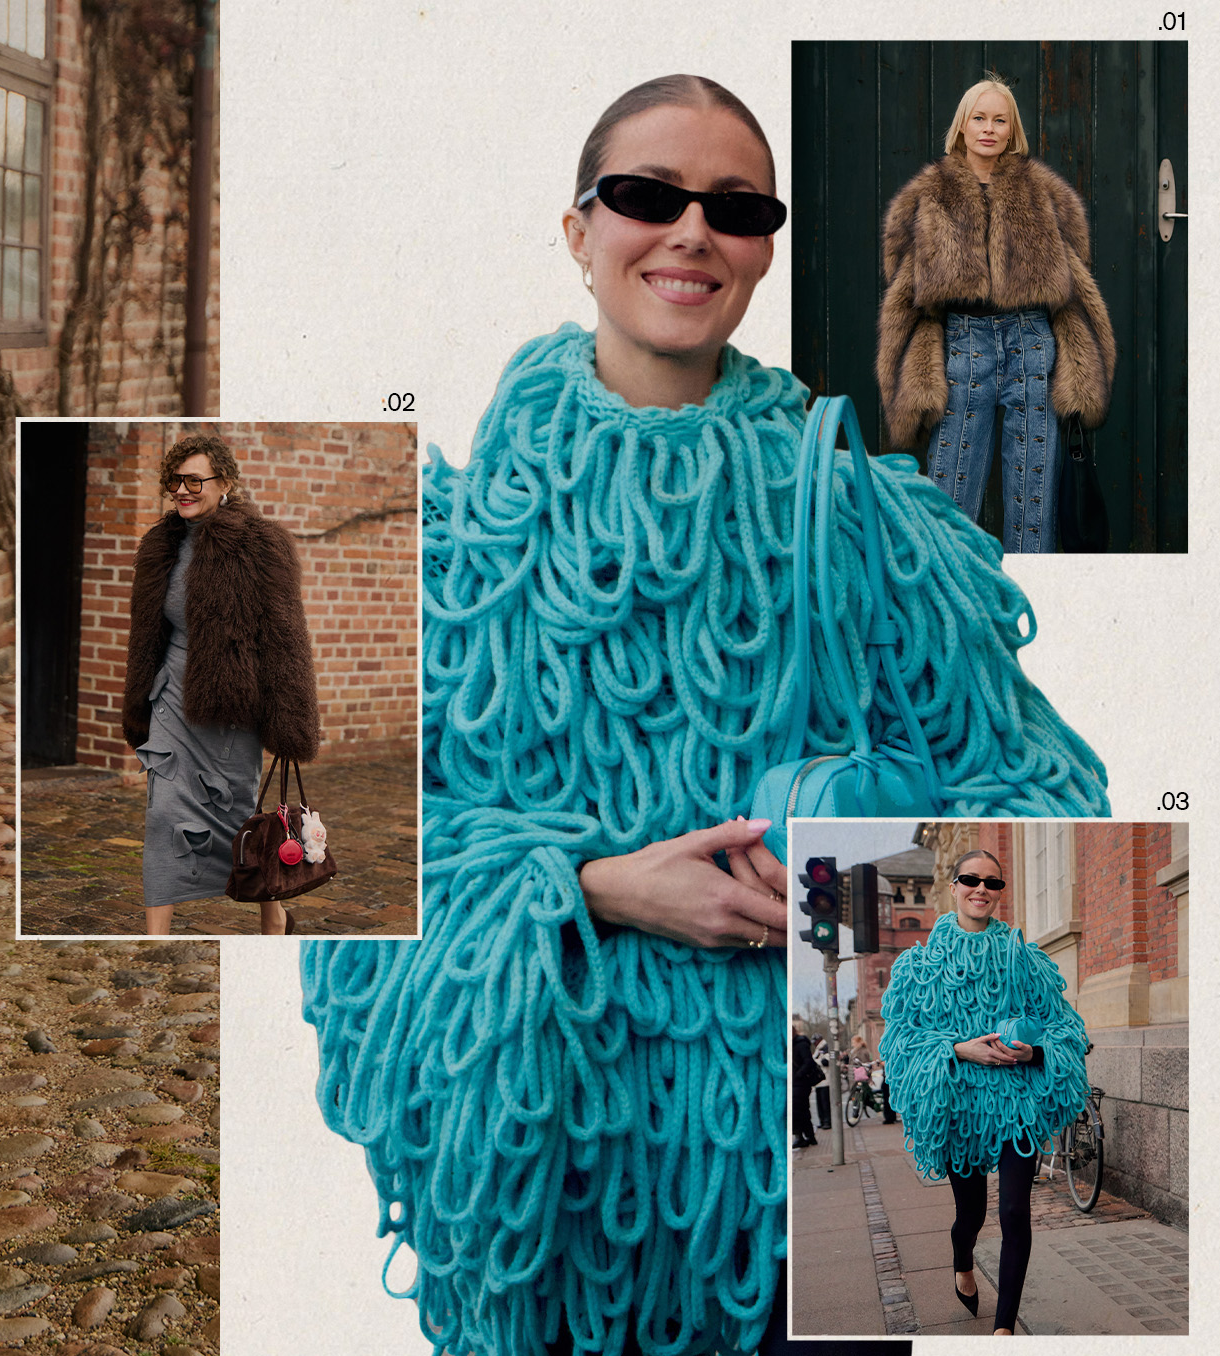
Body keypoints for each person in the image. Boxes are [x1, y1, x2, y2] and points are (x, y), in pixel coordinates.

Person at [300, 73, 1109, 1356]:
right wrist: (591, 880)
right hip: (557, 1166)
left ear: (764, 247)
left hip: (778, 1214)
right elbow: (342, 865)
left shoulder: (863, 521)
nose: (691, 230)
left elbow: (1036, 777)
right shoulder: (453, 546)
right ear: (579, 229)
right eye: (645, 195)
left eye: (734, 207)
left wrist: (848, 839)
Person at [875, 74, 1115, 553]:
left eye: (999, 119)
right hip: (964, 347)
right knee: (949, 490)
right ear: (962, 126)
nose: (988, 128)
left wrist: (1084, 362)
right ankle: (948, 599)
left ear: (1012, 130)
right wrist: (908, 371)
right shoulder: (928, 194)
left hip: (1032, 344)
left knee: (1034, 499)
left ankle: (1034, 604)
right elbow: (901, 283)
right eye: (978, 118)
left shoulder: (1043, 193)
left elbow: (1075, 278)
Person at [879, 852, 1087, 1336]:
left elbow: (1066, 1030)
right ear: (952, 887)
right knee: (969, 1213)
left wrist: (1032, 1054)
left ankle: (1004, 1330)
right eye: (970, 879)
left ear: (999, 891)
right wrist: (958, 1049)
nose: (981, 888)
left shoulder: (1025, 958)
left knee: (1015, 1209)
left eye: (992, 882)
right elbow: (902, 1040)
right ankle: (963, 1261)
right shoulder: (919, 965)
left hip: (1015, 1099)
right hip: (958, 1102)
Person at [120, 434, 321, 935]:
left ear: (224, 482)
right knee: (164, 813)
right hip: (170, 698)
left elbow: (285, 637)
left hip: (231, 710)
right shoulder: (159, 545)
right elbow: (148, 633)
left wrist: (290, 721)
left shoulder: (261, 544)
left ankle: (274, 918)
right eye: (175, 481)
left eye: (194, 480)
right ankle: (155, 938)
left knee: (244, 824)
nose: (183, 491)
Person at [792, 1020, 823, 1148]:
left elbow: (808, 1062)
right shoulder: (794, 1044)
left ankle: (801, 1136)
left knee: (796, 1110)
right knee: (801, 1110)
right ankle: (808, 1136)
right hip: (796, 1082)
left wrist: (798, 1075)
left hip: (801, 1083)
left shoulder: (800, 1044)